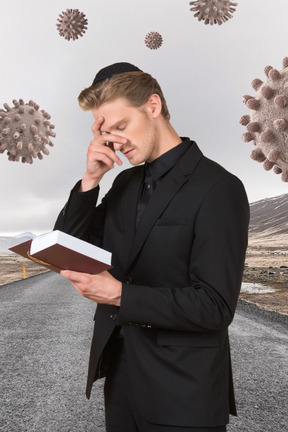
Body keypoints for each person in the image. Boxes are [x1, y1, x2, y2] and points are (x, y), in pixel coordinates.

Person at [54, 62, 250, 432]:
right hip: (122, 384)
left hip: (185, 395)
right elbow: (68, 247)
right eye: (106, 132)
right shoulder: (124, 183)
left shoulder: (219, 188)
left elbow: (215, 306)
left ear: (153, 106)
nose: (115, 140)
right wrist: (91, 179)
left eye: (121, 126)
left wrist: (119, 296)